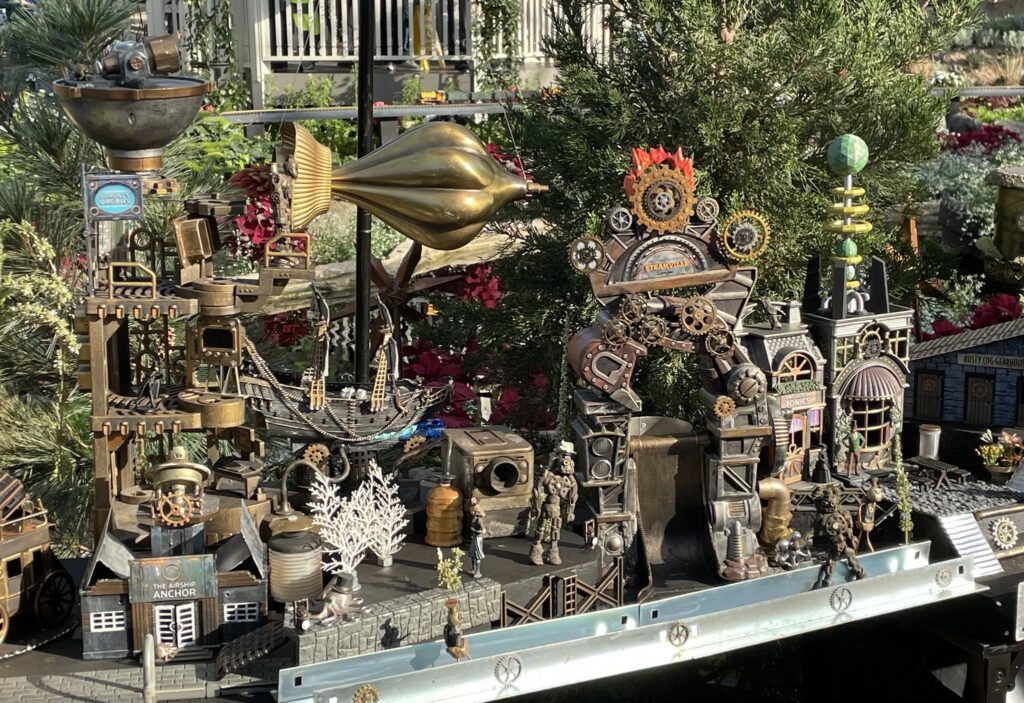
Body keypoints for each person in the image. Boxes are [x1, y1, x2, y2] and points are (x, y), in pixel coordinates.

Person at [529, 441, 579, 566]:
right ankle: (536, 548)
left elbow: (573, 495)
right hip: (547, 506)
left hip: (556, 508)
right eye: (563, 457)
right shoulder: (550, 475)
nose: (567, 461)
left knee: (556, 529)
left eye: (569, 457)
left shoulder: (569, 480)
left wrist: (571, 511)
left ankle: (553, 551)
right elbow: (538, 485)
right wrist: (536, 506)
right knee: (541, 528)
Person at [467, 497, 485, 578]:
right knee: (472, 553)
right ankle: (473, 569)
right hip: (474, 538)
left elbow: (484, 531)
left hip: (478, 538)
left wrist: (475, 530)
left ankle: (478, 571)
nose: (472, 510)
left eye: (474, 509)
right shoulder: (474, 518)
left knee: (477, 555)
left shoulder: (479, 520)